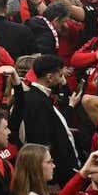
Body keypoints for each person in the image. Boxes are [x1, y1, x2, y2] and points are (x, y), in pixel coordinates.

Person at [11, 55, 80, 186]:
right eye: (60, 76)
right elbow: (42, 143)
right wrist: (51, 181)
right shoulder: (37, 102)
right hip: (53, 180)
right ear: (50, 77)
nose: (64, 81)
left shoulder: (41, 99)